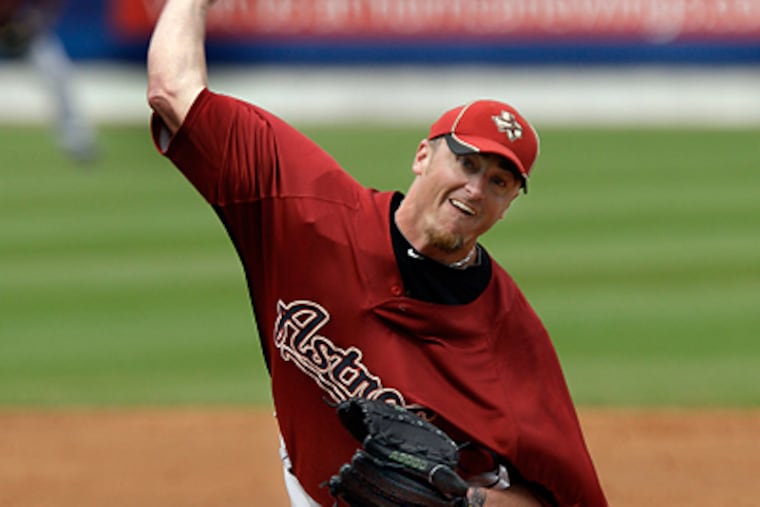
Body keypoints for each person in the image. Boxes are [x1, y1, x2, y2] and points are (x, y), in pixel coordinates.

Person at [146, 1, 607, 506]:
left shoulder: (510, 341)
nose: (476, 189)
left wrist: (470, 505)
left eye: (498, 181)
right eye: (467, 163)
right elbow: (172, 92)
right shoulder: (304, 207)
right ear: (423, 155)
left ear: (508, 206)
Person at [0, 0, 96, 162]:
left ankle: (77, 140)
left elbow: (47, 10)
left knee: (58, 75)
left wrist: (27, 25)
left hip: (25, 32)